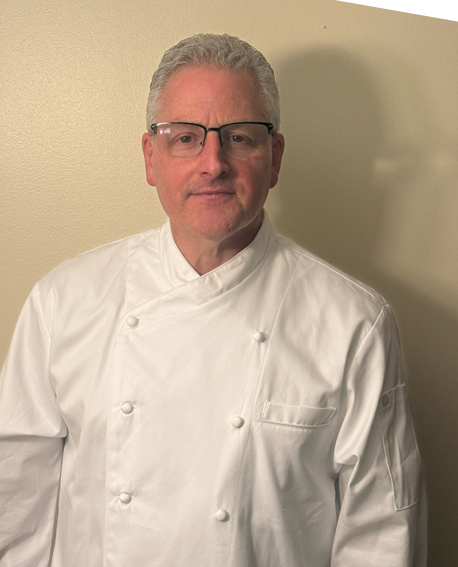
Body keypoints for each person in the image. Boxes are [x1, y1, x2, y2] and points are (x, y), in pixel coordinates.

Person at [0, 33, 426, 566]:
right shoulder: (64, 302)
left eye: (239, 138)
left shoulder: (354, 323)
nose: (213, 163)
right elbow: (16, 510)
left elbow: (381, 535)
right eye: (185, 138)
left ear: (274, 158)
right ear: (150, 157)